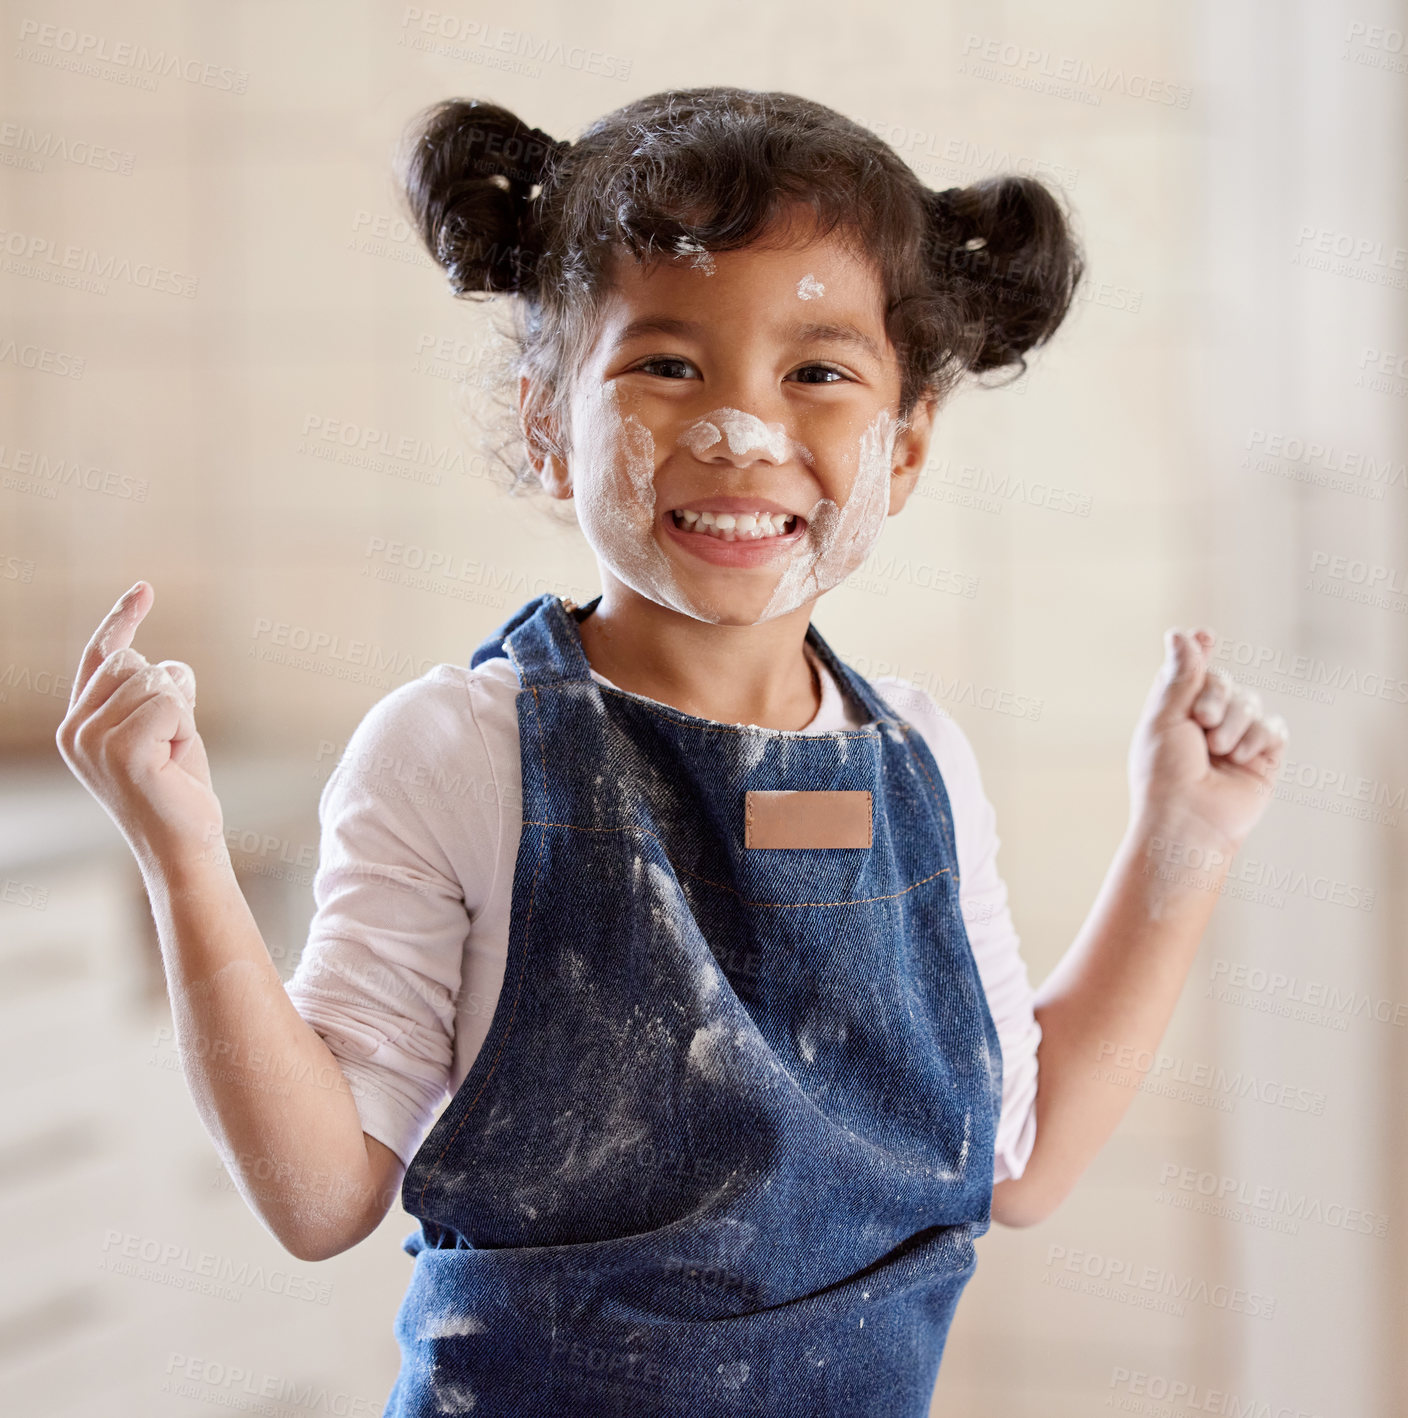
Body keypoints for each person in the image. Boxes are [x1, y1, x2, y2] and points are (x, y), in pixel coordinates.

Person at [55, 87, 1290, 1418]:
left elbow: (1018, 1157)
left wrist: (1186, 841)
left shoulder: (919, 762)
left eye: (816, 372)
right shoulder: (460, 752)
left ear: (909, 440)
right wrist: (182, 855)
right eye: (667, 364)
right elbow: (317, 1195)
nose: (740, 432)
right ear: (546, 419)